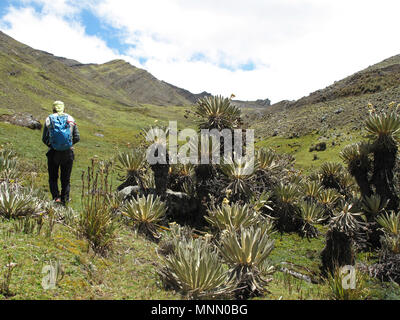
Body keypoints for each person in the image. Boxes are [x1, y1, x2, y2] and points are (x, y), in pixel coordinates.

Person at [42, 101, 80, 205]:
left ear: (53, 109)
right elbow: (77, 137)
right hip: (68, 153)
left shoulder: (49, 119)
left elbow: (44, 138)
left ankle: (56, 198)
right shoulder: (70, 119)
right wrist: (69, 145)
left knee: (53, 178)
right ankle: (65, 201)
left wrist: (52, 146)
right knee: (66, 179)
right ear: (64, 109)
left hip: (53, 153)